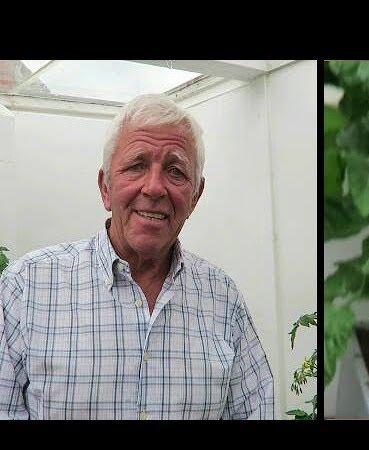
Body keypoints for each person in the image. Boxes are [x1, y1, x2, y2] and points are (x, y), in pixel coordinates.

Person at [0, 94, 274, 419]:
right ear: (106, 187)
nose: (155, 187)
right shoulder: (26, 286)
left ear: (195, 196)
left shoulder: (223, 298)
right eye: (136, 166)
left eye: (175, 171)